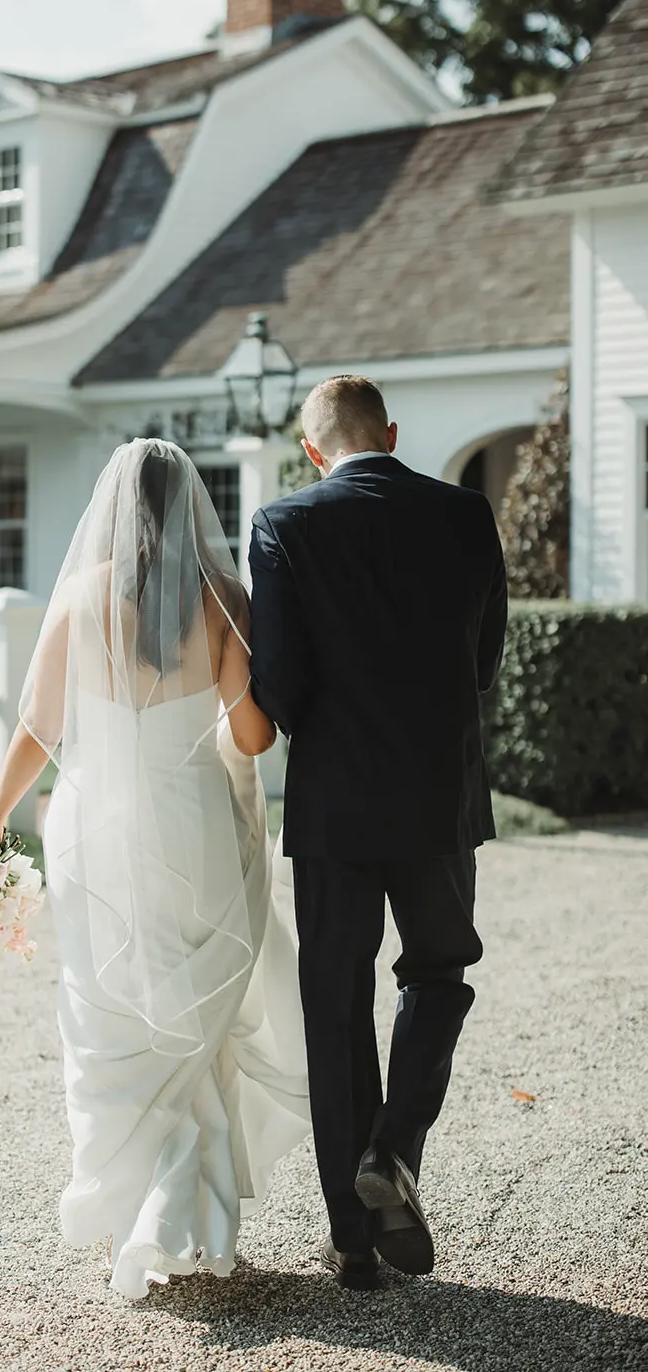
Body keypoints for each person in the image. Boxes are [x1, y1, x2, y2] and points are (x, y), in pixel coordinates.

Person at [0, 438, 311, 1300]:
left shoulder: (81, 600)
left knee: (115, 1015)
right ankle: (188, 1219)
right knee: (192, 1023)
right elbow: (251, 739)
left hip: (97, 831)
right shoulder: (222, 602)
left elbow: (41, 730)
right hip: (193, 819)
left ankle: (143, 1214)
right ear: (189, 507)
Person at [249, 374, 508, 1291]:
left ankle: (351, 1241)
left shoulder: (284, 526)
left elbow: (274, 691)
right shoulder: (466, 515)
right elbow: (483, 661)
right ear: (389, 434)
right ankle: (394, 1149)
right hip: (437, 799)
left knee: (333, 1002)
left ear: (313, 449)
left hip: (333, 809)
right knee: (437, 972)